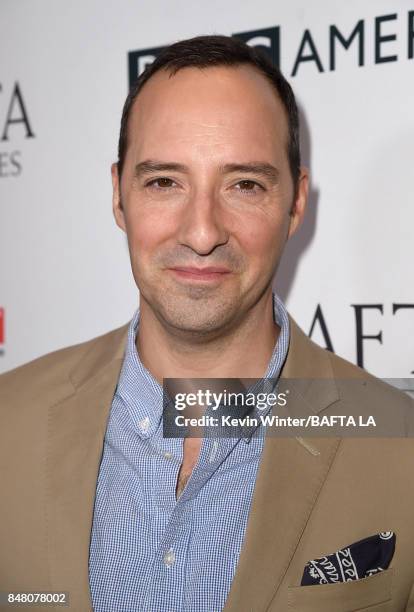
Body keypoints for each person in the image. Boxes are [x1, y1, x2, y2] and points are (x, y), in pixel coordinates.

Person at [0, 34, 413, 612]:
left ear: (295, 203)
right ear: (118, 195)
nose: (201, 233)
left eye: (244, 184)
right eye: (164, 182)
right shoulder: (8, 421)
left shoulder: (403, 448)